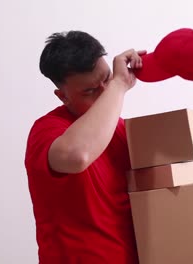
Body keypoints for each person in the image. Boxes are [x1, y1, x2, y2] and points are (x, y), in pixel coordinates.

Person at [24, 30, 145, 264]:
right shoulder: (47, 130)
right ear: (63, 97)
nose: (104, 93)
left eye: (107, 79)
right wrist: (118, 85)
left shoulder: (120, 130)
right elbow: (77, 155)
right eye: (90, 91)